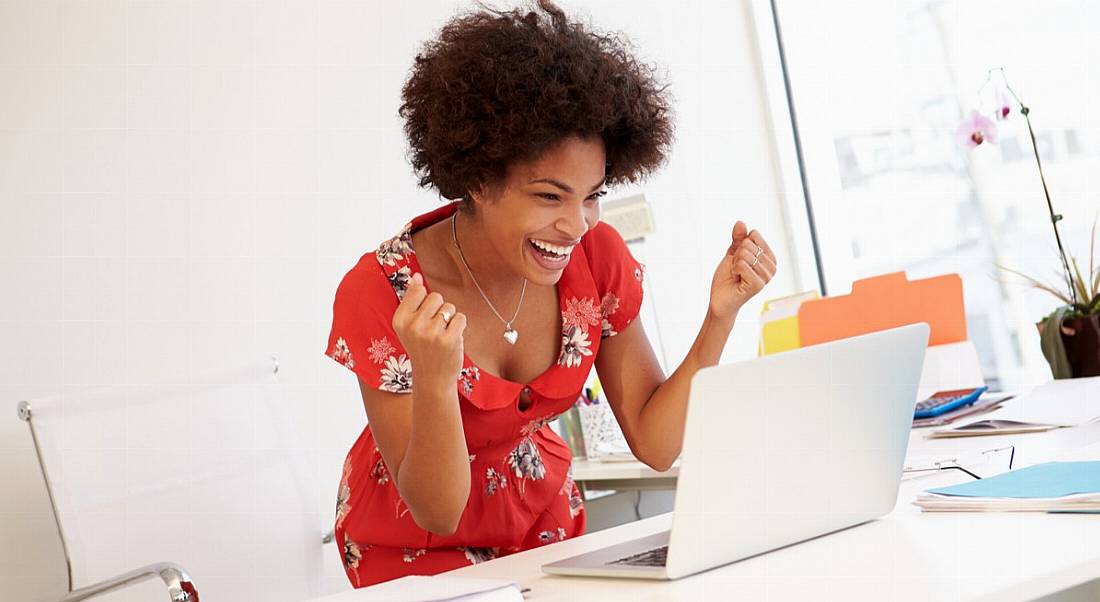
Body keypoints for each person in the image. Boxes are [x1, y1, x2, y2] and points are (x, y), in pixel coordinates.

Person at [323, 0, 777, 588]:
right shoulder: (383, 292)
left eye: (592, 195)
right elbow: (436, 510)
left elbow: (657, 444)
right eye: (549, 197)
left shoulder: (595, 257)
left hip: (543, 532)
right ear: (479, 178)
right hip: (413, 556)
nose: (578, 225)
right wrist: (436, 380)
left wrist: (719, 318)